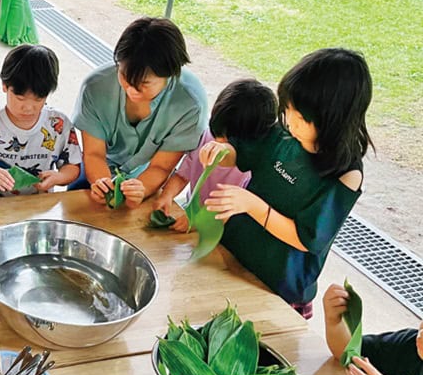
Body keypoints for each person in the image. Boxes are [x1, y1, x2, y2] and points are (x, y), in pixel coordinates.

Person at [199, 48, 373, 317]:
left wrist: (252, 205)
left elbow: (306, 239)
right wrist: (220, 153)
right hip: (235, 259)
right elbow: (243, 155)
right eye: (289, 109)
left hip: (279, 287)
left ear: (332, 121)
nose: (290, 120)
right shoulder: (283, 137)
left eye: (301, 117)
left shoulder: (345, 175)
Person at [68, 17, 208, 208]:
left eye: (144, 84)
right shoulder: (95, 87)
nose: (131, 90)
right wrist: (103, 185)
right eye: (125, 77)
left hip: (148, 175)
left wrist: (141, 189)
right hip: (100, 167)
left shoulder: (190, 104)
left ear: (171, 75)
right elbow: (94, 154)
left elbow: (161, 167)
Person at [154, 79, 277, 232]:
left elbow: (235, 213)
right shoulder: (205, 137)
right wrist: (167, 196)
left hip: (224, 231)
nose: (219, 143)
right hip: (191, 215)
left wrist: (199, 221)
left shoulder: (254, 167)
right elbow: (182, 175)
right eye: (217, 133)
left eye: (228, 140)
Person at [0, 44, 81, 198]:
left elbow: (72, 165)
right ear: (4, 86)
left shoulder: (59, 124)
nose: (28, 108)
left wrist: (60, 177)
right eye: (20, 98)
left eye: (38, 99)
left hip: (38, 205)